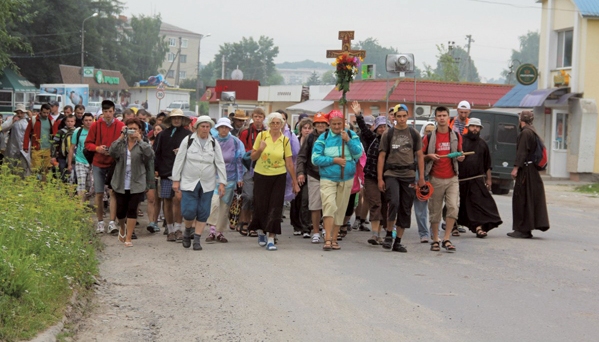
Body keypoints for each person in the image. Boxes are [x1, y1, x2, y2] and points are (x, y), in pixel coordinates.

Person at [172, 116, 227, 251]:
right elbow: (179, 160)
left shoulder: (214, 143)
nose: (205, 129)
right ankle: (187, 231)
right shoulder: (189, 140)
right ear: (197, 127)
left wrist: (222, 183)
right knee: (189, 211)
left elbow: (220, 162)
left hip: (207, 183)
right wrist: (176, 180)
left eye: (208, 127)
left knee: (203, 212)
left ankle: (197, 239)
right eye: (203, 126)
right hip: (189, 181)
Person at [312, 110, 363, 251]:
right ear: (329, 124)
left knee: (340, 209)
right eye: (333, 124)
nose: (336, 126)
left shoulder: (351, 135)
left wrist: (348, 141)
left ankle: (335, 238)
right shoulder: (323, 137)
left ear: (344, 123)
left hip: (346, 178)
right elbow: (315, 159)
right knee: (329, 206)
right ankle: (327, 238)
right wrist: (333, 160)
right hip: (328, 178)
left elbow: (358, 153)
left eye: (339, 124)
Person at [378, 104, 425, 253]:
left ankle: (398, 241)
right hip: (392, 173)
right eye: (399, 116)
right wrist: (380, 178)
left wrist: (421, 177)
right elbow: (382, 156)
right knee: (394, 202)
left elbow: (419, 156)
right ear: (394, 117)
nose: (402, 119)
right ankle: (388, 234)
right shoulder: (388, 134)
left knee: (405, 207)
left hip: (409, 174)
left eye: (404, 116)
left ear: (408, 116)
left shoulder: (414, 133)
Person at [249, 112, 300, 251]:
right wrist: (260, 149)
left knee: (276, 206)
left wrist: (294, 182)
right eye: (273, 123)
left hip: (279, 176)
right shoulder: (262, 136)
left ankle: (271, 238)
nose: (276, 125)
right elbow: (253, 157)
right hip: (261, 174)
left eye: (278, 123)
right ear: (269, 124)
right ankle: (260, 230)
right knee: (261, 205)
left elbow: (289, 163)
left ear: (282, 125)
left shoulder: (285, 140)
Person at [423, 106, 465, 252]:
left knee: (453, 207)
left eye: (444, 115)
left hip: (452, 177)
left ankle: (446, 238)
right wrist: (429, 156)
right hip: (435, 178)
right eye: (439, 115)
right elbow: (420, 157)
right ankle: (435, 239)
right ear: (435, 118)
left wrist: (461, 157)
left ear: (448, 118)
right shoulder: (428, 137)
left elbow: (460, 154)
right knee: (435, 210)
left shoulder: (456, 136)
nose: (442, 118)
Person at [109, 118, 155, 247]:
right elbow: (112, 152)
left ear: (140, 130)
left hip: (137, 182)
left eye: (135, 129)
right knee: (121, 211)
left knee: (132, 209)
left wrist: (139, 140)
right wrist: (121, 136)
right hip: (121, 182)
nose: (132, 131)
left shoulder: (143, 143)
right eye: (130, 128)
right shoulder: (121, 143)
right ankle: (122, 228)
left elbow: (150, 155)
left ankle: (129, 237)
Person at [351, 101, 389, 245]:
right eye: (380, 127)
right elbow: (363, 128)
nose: (382, 129)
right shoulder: (372, 139)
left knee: (385, 205)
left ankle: (381, 233)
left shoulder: (392, 142)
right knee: (375, 203)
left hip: (388, 177)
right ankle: (375, 234)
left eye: (385, 126)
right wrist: (358, 115)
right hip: (371, 177)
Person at [85, 100, 125, 234]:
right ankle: (100, 221)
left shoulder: (121, 125)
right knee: (99, 193)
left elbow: (124, 144)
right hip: (98, 163)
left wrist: (113, 150)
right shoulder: (95, 126)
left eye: (110, 111)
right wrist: (97, 148)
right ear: (102, 112)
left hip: (113, 163)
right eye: (106, 111)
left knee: (113, 192)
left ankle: (112, 222)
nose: (108, 114)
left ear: (114, 111)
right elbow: (87, 144)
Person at [457, 118, 503, 237]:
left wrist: (489, 180)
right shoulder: (460, 142)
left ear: (480, 129)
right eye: (472, 126)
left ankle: (479, 227)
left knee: (479, 204)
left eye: (477, 127)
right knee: (457, 205)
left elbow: (487, 164)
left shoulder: (483, 144)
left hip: (477, 180)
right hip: (461, 180)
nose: (475, 129)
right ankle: (453, 225)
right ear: (468, 127)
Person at [509, 110, 550, 238]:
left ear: (521, 120)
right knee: (529, 199)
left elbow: (522, 152)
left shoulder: (525, 133)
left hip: (525, 171)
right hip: (532, 170)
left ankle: (522, 229)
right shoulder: (533, 131)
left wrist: (516, 168)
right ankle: (527, 228)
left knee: (521, 198)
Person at [153, 109, 191, 240]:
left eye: (179, 118)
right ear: (170, 120)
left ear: (182, 120)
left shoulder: (188, 135)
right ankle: (170, 230)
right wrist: (156, 169)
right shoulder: (162, 135)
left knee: (178, 200)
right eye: (174, 118)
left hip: (183, 173)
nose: (176, 120)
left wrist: (182, 152)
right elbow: (156, 153)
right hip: (166, 172)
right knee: (167, 201)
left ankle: (178, 229)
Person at [205, 118, 245, 243]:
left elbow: (239, 160)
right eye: (221, 127)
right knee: (214, 203)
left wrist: (240, 178)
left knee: (224, 206)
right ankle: (211, 230)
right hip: (213, 178)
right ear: (217, 128)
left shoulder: (235, 142)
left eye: (226, 127)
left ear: (229, 129)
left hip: (230, 178)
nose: (224, 129)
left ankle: (219, 232)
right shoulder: (211, 141)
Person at [296, 112, 329, 244]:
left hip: (329, 175)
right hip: (313, 174)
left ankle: (326, 229)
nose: (320, 125)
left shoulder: (331, 137)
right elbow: (302, 156)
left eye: (323, 123)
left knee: (328, 204)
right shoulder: (310, 138)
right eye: (318, 123)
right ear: (314, 124)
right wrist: (300, 172)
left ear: (327, 124)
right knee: (312, 203)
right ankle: (312, 230)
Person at [237, 107, 266, 236]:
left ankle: (253, 224)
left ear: (264, 118)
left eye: (260, 117)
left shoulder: (267, 132)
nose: (258, 119)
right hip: (249, 166)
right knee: (248, 196)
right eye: (256, 116)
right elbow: (241, 152)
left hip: (263, 166)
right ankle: (243, 221)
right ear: (252, 118)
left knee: (258, 197)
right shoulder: (246, 132)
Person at [290, 117, 314, 237]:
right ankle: (296, 225)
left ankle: (306, 226)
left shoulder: (313, 141)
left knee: (306, 199)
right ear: (300, 129)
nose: (307, 130)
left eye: (309, 128)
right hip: (294, 172)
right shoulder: (295, 140)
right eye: (305, 128)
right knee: (295, 200)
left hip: (308, 173)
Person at [414, 122, 436, 243]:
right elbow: (416, 161)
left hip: (435, 178)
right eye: (428, 131)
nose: (430, 133)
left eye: (433, 131)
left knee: (434, 208)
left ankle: (434, 231)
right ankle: (423, 233)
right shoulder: (418, 144)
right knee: (420, 208)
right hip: (420, 178)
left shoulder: (438, 143)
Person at [23, 103, 55, 181]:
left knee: (46, 170)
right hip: (36, 148)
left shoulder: (52, 121)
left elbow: (54, 135)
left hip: (47, 149)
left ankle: (43, 188)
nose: (46, 114)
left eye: (47, 113)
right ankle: (34, 187)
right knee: (35, 169)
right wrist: (25, 146)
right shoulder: (34, 120)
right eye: (44, 112)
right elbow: (27, 133)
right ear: (40, 111)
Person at [69, 113, 94, 204]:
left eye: (90, 120)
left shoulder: (95, 131)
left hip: (93, 162)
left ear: (93, 120)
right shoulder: (78, 131)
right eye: (86, 120)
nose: (88, 122)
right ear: (83, 121)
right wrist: (69, 164)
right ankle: (80, 207)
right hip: (80, 161)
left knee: (90, 186)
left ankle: (86, 203)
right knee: (81, 184)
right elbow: (72, 148)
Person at [1, 104, 30, 175]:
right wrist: (12, 121)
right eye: (18, 113)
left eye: (21, 112)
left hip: (24, 148)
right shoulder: (12, 119)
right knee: (10, 166)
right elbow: (3, 128)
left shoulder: (28, 121)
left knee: (24, 167)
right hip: (13, 147)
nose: (19, 114)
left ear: (25, 113)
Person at [52, 115, 77, 182]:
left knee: (73, 173)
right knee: (62, 172)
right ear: (65, 122)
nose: (70, 123)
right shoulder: (60, 132)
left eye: (72, 121)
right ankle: (62, 187)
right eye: (68, 121)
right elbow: (54, 144)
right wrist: (53, 155)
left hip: (74, 157)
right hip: (62, 156)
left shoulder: (77, 131)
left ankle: (72, 189)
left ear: (74, 122)